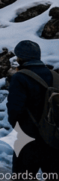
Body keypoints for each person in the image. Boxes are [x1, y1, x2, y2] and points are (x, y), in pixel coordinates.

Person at [6, 39, 59, 176]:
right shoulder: (55, 76)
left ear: (21, 57)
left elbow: (14, 110)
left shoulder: (20, 78)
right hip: (53, 137)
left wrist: (18, 128)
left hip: (27, 137)